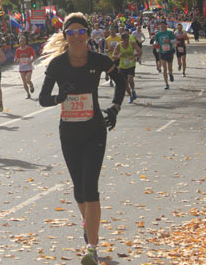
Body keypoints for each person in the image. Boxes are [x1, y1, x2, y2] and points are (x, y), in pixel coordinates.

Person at [38, 13, 126, 265]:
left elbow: (120, 82)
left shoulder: (99, 60)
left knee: (90, 186)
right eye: (71, 33)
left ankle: (91, 247)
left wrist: (115, 108)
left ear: (88, 34)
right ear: (65, 37)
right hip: (69, 132)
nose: (76, 37)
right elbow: (43, 99)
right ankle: (89, 226)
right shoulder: (57, 65)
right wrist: (59, 97)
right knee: (79, 189)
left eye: (80, 32)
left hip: (94, 130)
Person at [113, 33, 141, 103]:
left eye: (127, 39)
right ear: (122, 39)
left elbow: (140, 51)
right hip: (122, 66)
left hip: (131, 65)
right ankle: (131, 96)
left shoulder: (132, 43)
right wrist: (118, 56)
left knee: (130, 78)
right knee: (125, 83)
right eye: (125, 40)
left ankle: (133, 90)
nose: (126, 41)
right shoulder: (119, 45)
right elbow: (113, 56)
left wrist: (134, 56)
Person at [153, 20, 176, 89]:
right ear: (160, 26)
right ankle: (166, 84)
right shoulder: (157, 34)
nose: (162, 26)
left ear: (166, 26)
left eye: (163, 25)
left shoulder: (169, 33)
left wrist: (169, 41)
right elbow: (155, 40)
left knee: (169, 67)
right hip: (162, 52)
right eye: (161, 25)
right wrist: (155, 43)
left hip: (169, 52)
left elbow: (175, 40)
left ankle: (171, 73)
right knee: (164, 69)